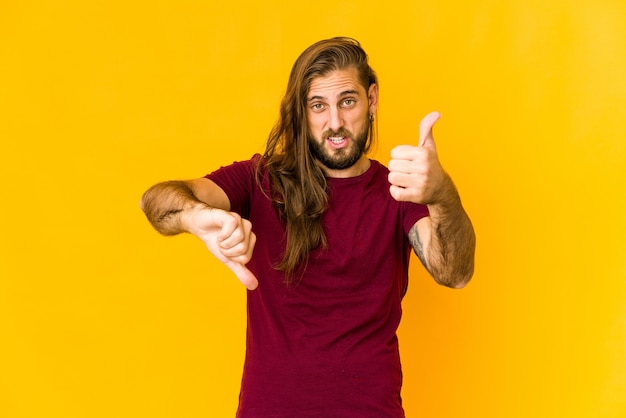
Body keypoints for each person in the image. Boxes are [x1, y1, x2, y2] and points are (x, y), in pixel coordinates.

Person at [141, 37, 475, 417]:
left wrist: (441, 194)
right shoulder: (261, 182)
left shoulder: (398, 194)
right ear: (303, 113)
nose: (335, 122)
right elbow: (156, 202)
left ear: (372, 100)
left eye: (347, 101)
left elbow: (456, 273)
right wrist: (194, 217)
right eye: (318, 106)